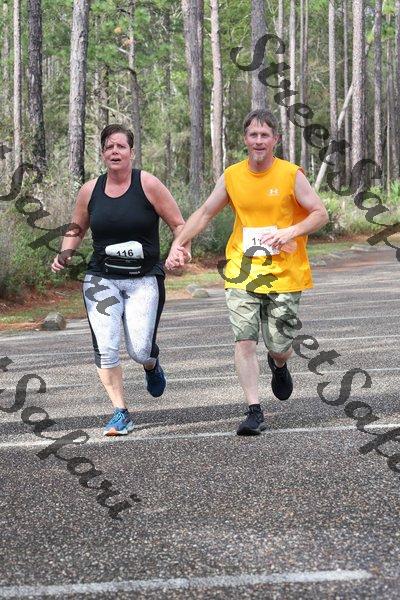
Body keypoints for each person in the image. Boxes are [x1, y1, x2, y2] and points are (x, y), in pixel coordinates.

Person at [165, 109, 329, 436]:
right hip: (242, 270)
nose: (258, 141)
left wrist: (290, 231)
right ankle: (254, 410)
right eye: (253, 135)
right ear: (245, 139)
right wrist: (178, 243)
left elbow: (320, 213)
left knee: (279, 346)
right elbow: (205, 212)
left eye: (264, 135)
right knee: (244, 340)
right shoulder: (232, 176)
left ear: (275, 139)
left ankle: (279, 363)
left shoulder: (290, 174)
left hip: (284, 273)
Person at [51, 124, 189, 436]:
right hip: (102, 278)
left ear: (131, 152)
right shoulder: (90, 190)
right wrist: (65, 252)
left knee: (139, 350)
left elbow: (179, 224)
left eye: (121, 146)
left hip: (144, 279)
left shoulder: (148, 184)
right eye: (109, 147)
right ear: (103, 154)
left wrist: (179, 249)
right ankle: (120, 412)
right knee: (106, 347)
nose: (115, 151)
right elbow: (77, 227)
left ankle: (151, 363)